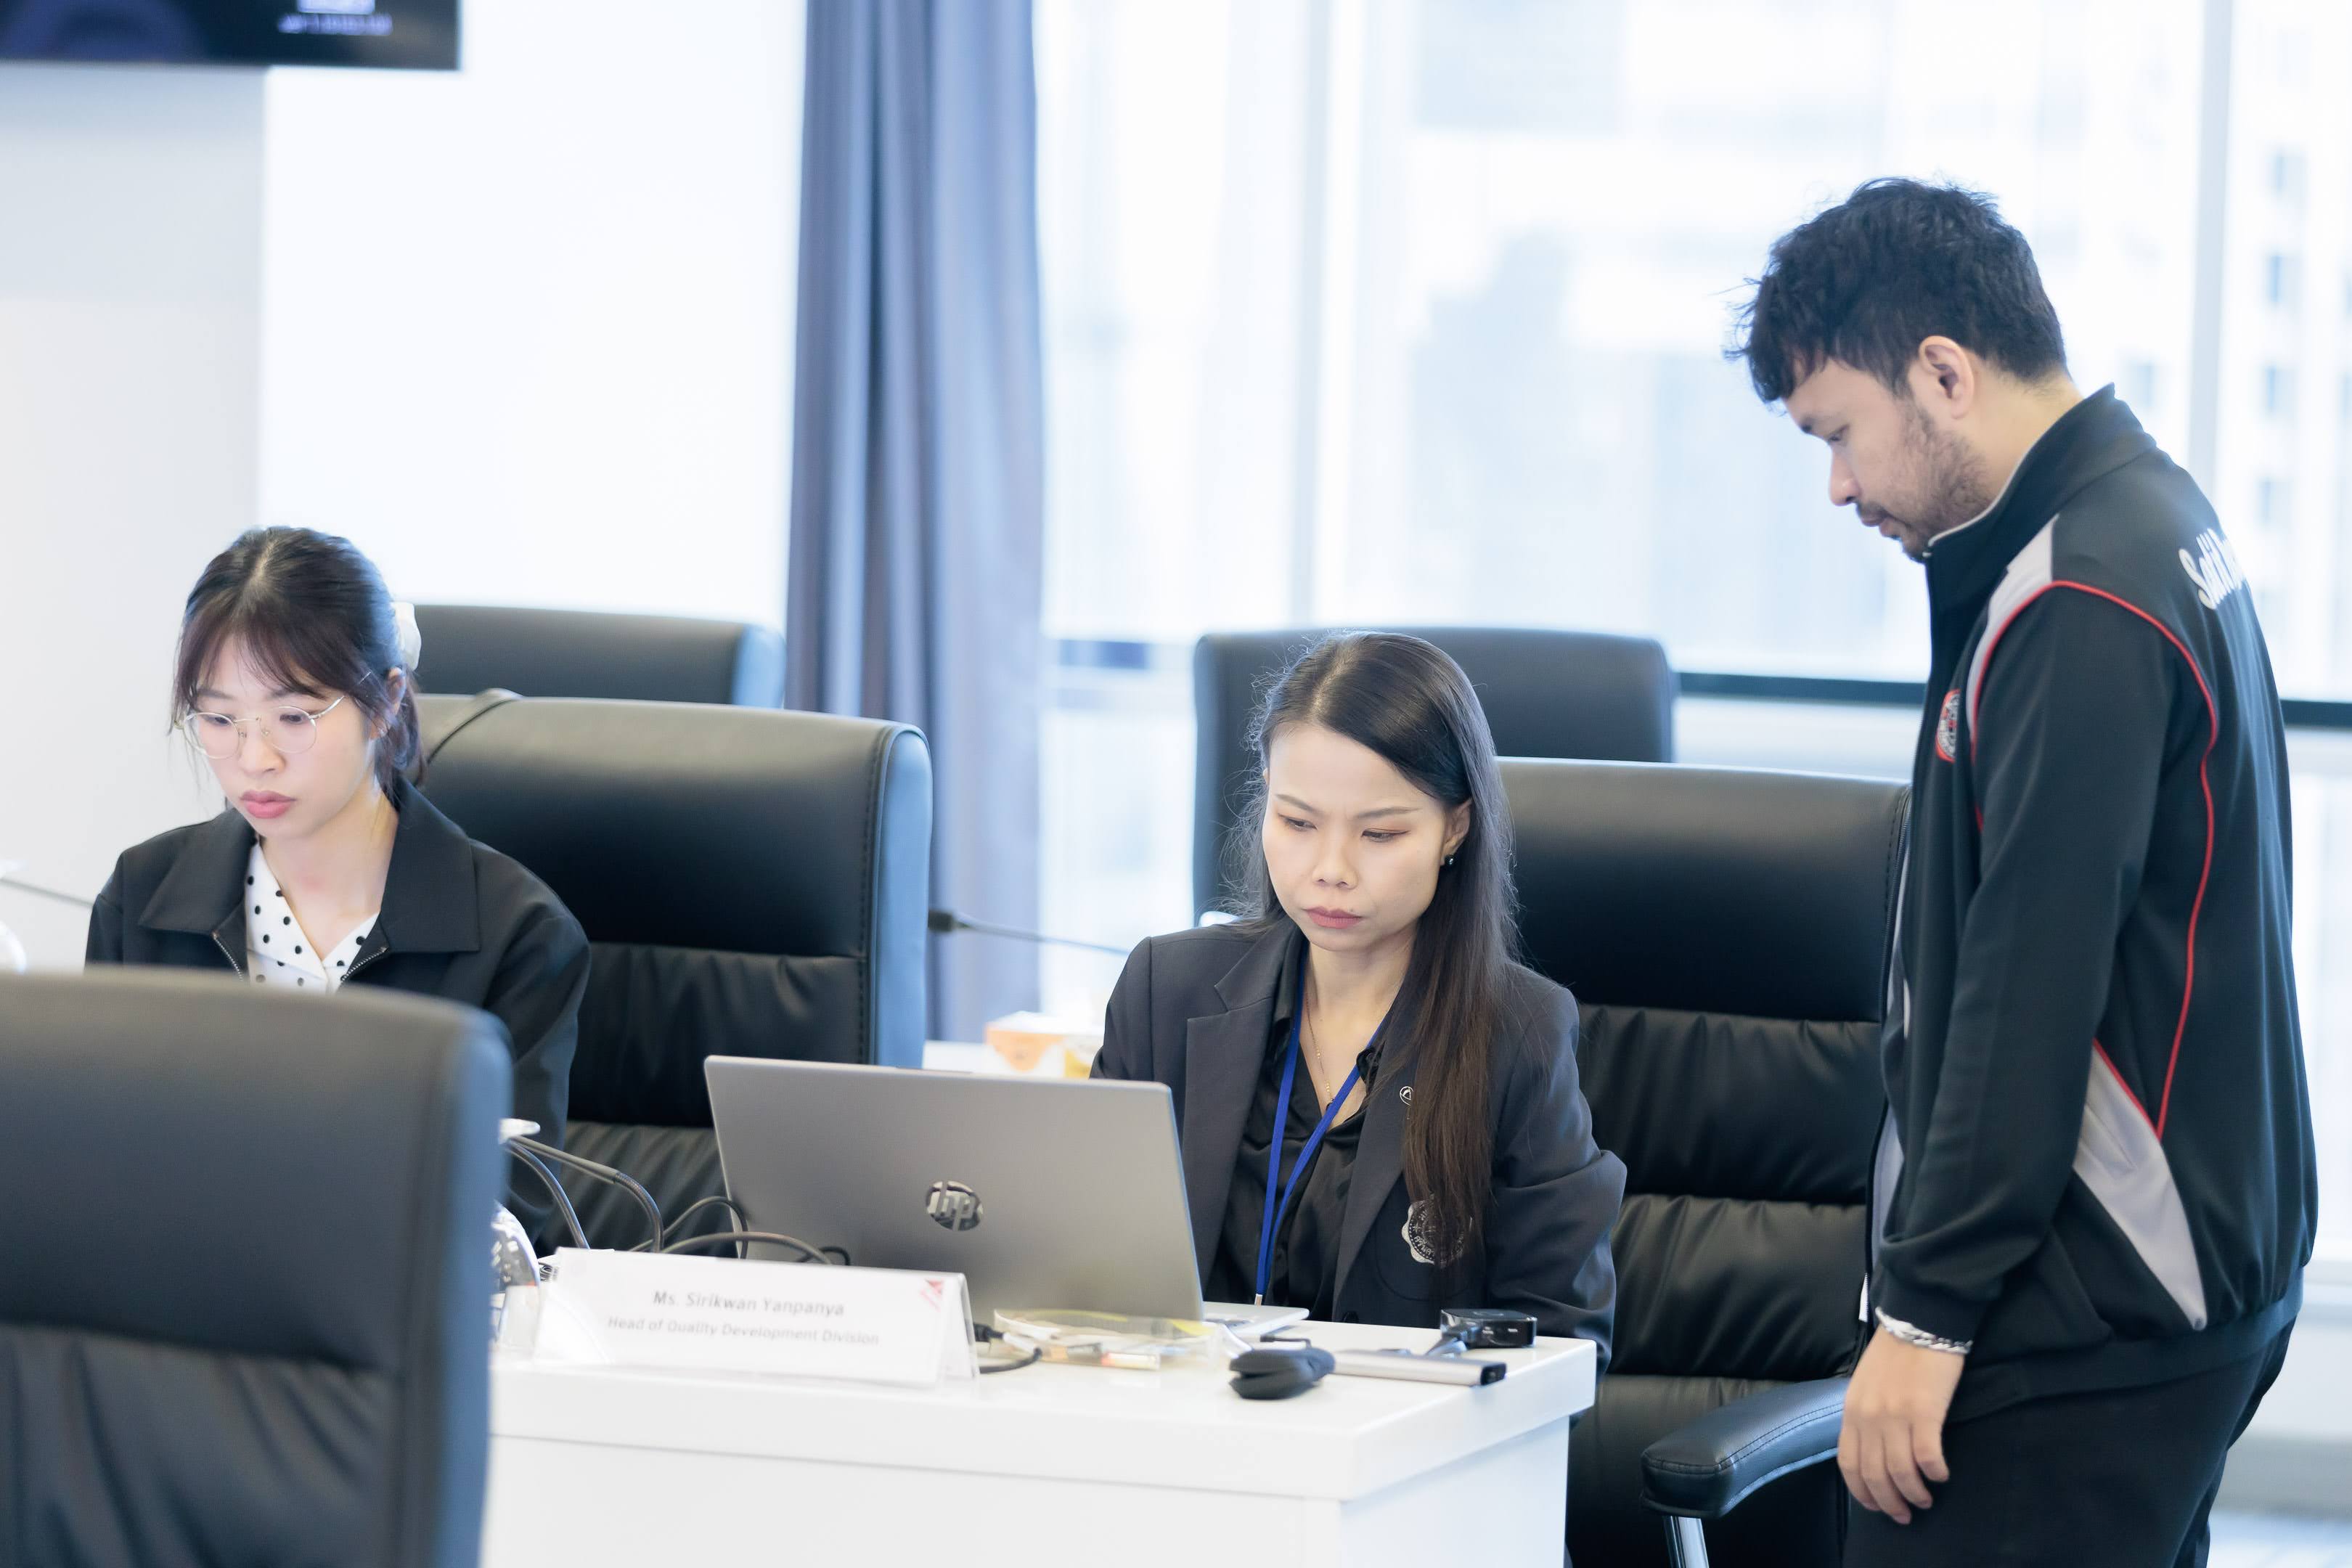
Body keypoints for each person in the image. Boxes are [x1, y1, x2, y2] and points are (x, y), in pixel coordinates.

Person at [1734, 179, 2314, 1565]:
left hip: (2080, 1309)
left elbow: (2026, 993)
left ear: (1944, 372)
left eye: (1839, 433)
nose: (1839, 488)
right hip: (2182, 1276)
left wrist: (1923, 1315)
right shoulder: (2145, 516)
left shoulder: (2075, 595)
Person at [1093, 632, 1623, 1357]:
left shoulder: (1517, 1034)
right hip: (1184, 1415)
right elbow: (1083, 1270)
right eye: (1297, 822)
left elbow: (1561, 1339)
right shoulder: (1166, 991)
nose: (1331, 869)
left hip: (1405, 1426)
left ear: (1455, 828)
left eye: (1379, 834)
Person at [87, 526, 591, 1227]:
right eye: (220, 718)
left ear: (384, 702)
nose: (254, 759)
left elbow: (512, 1216)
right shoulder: (143, 898)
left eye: (294, 716)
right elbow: (100, 1170)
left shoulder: (516, 933)